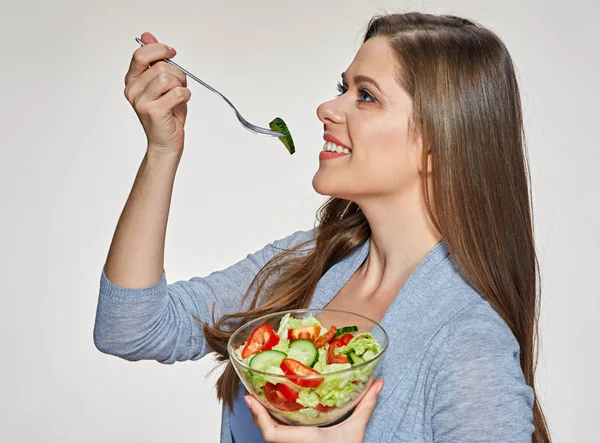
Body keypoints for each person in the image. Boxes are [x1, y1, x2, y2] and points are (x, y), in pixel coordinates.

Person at [93, 12, 552, 443]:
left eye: (366, 96)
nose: (326, 108)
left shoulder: (469, 344)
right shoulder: (307, 262)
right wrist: (162, 150)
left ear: (435, 146)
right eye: (342, 87)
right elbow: (130, 327)